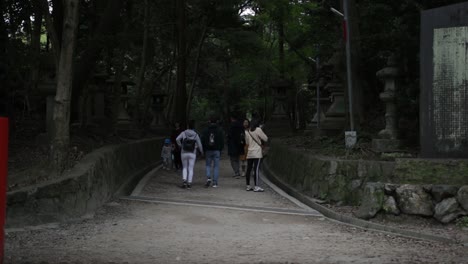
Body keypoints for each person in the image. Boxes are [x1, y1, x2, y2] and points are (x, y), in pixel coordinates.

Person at [176, 120, 204, 189]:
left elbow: (177, 139)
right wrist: (201, 152)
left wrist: (180, 145)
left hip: (184, 152)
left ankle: (184, 181)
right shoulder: (196, 134)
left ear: (188, 126)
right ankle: (189, 183)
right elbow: (200, 144)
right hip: (192, 153)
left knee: (184, 167)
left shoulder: (184, 133)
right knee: (191, 168)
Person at [244, 120, 268, 192]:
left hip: (250, 152)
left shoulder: (247, 131)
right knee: (256, 169)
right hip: (257, 152)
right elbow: (266, 139)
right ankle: (256, 186)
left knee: (248, 169)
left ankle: (248, 186)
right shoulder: (258, 130)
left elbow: (247, 142)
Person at [201, 116, 224, 188]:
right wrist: (220, 149)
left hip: (208, 150)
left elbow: (203, 140)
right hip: (217, 150)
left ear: (209, 121)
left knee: (208, 165)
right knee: (216, 166)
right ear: (216, 121)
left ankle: (208, 177)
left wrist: (204, 149)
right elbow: (222, 141)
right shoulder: (220, 130)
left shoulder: (205, 130)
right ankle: (215, 183)